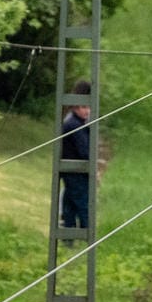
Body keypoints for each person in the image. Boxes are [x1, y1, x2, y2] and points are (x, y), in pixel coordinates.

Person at [59, 80, 93, 229]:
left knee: (70, 206)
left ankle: (68, 239)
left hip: (72, 173)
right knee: (83, 206)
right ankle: (86, 237)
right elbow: (85, 151)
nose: (88, 111)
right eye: (84, 107)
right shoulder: (74, 124)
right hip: (76, 173)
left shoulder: (74, 121)